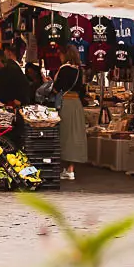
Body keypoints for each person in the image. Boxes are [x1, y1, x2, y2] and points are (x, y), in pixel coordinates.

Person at [54, 44, 87, 180]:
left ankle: (64, 167)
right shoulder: (79, 70)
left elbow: (56, 88)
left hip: (66, 104)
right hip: (76, 104)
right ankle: (71, 169)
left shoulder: (64, 69)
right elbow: (82, 90)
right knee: (74, 136)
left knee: (64, 134)